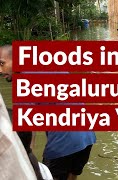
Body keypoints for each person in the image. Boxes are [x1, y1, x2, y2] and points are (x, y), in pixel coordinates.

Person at [0, 45, 97, 180]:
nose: (0, 70)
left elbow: (27, 132)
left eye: (2, 63)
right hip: (87, 136)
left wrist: (27, 165)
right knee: (71, 175)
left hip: (64, 142)